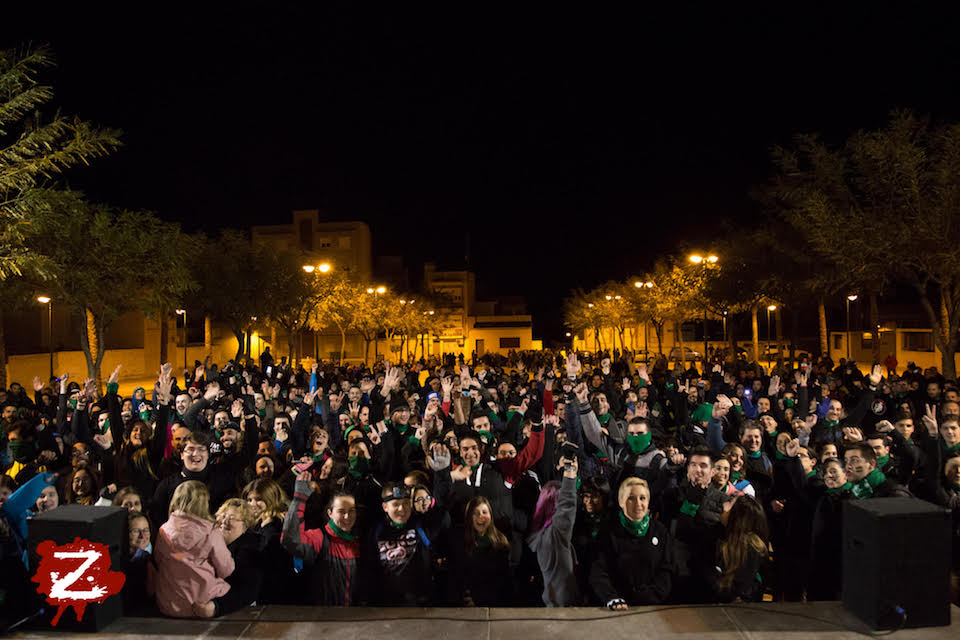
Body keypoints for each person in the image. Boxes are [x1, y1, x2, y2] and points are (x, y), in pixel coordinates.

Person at [149, 481, 234, 618]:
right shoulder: (210, 531)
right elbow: (226, 569)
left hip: (168, 605)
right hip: (202, 605)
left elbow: (158, 560)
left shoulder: (163, 530)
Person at [590, 477, 676, 609]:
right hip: (618, 607)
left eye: (642, 498)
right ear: (621, 501)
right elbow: (599, 572)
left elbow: (667, 570)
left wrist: (649, 597)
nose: (638, 503)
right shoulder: (608, 532)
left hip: (653, 607)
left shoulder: (660, 531)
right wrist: (611, 597)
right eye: (631, 498)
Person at [282, 472, 361, 605]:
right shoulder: (320, 537)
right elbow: (291, 541)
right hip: (324, 616)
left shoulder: (359, 540)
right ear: (330, 513)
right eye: (341, 511)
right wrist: (299, 500)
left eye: (351, 511)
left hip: (354, 616)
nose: (347, 517)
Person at [528, 455, 579, 606]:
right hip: (563, 609)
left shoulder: (540, 535)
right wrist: (570, 474)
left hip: (553, 604)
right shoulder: (555, 534)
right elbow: (567, 507)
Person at [450, 496, 512, 606]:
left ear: (490, 515)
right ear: (469, 517)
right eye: (476, 513)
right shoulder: (460, 542)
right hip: (470, 605)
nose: (480, 516)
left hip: (495, 604)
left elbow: (504, 578)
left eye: (484, 512)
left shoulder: (501, 542)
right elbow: (459, 576)